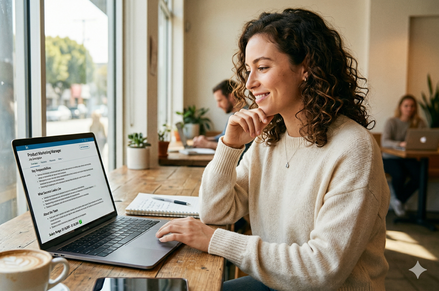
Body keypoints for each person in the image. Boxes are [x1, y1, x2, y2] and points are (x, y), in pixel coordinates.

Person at [156, 8, 389, 290]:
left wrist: (214, 240)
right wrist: (229, 146)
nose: (250, 83)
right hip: (279, 284)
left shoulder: (353, 147)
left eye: (263, 67)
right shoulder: (269, 140)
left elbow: (323, 269)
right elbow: (215, 212)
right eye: (248, 70)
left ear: (306, 68)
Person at [382, 94, 426, 217]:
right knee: (399, 174)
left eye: (412, 106)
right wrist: (401, 143)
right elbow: (384, 142)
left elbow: (425, 139)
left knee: (420, 175)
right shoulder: (391, 122)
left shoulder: (419, 123)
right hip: (390, 157)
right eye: (406, 106)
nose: (409, 108)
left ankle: (399, 199)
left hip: (408, 158)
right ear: (400, 107)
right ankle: (399, 200)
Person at [192, 79, 241, 150]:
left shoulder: (244, 117)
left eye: (220, 100)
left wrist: (207, 144)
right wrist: (206, 139)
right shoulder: (234, 115)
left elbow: (239, 149)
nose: (218, 105)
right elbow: (224, 137)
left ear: (231, 97)